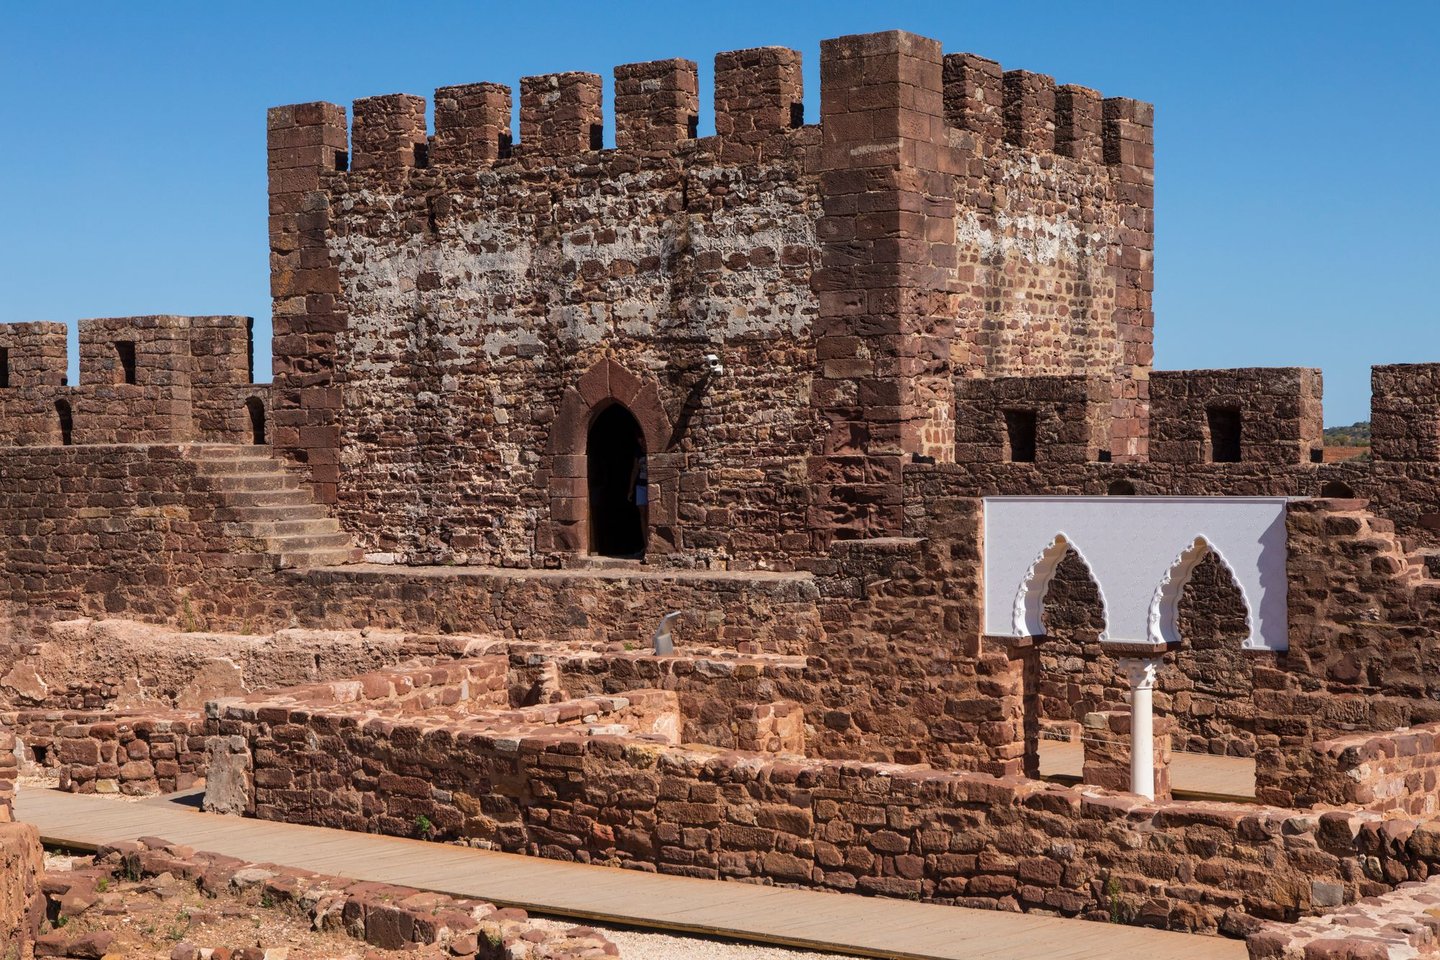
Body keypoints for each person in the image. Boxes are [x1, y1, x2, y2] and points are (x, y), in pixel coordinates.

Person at [627, 428, 648, 554]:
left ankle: (651, 544)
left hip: (650, 486)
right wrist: (630, 489)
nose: (642, 441)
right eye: (639, 438)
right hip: (640, 485)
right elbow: (635, 470)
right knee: (642, 514)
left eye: (643, 437)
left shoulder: (649, 451)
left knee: (650, 514)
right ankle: (645, 544)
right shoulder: (638, 452)